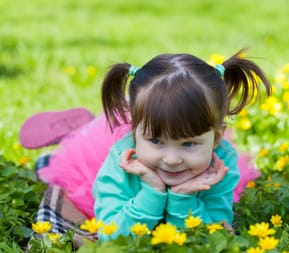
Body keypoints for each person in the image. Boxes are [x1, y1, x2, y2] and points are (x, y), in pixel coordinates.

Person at [20, 50, 271, 241]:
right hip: (108, 145)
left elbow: (214, 236)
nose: (172, 159)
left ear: (216, 139)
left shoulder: (221, 165)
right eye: (157, 141)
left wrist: (182, 199)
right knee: (72, 154)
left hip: (148, 126)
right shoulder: (118, 164)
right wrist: (152, 192)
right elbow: (112, 235)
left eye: (189, 143)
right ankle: (79, 127)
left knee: (161, 127)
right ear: (136, 134)